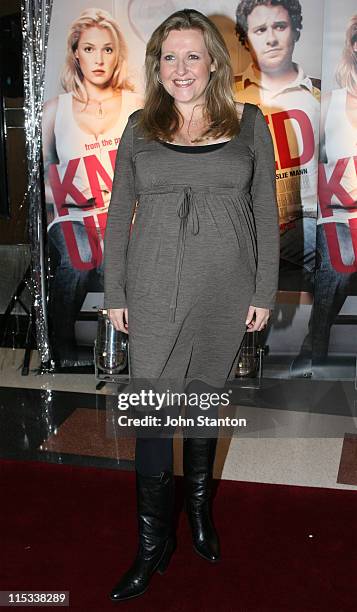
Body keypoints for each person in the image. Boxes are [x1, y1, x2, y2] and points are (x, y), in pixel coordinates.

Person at [104, 8, 279, 602]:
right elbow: (116, 214)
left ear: (214, 62)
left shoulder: (251, 124)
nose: (181, 69)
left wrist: (262, 292)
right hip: (153, 288)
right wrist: (116, 292)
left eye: (193, 55)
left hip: (226, 289)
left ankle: (199, 511)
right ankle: (153, 544)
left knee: (205, 401)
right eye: (169, 57)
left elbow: (264, 215)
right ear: (158, 65)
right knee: (154, 413)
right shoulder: (139, 126)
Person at [42, 8, 143, 366]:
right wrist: (68, 208)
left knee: (130, 261)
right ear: (75, 53)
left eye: (107, 50)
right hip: (72, 216)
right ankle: (60, 348)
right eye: (89, 49)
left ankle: (128, 350)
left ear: (117, 56)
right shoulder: (55, 110)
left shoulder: (137, 107)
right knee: (81, 257)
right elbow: (47, 178)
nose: (98, 59)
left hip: (123, 215)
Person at [234, 0, 320, 291]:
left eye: (279, 26)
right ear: (245, 39)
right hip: (248, 223)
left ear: (296, 30)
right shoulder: (225, 96)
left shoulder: (322, 96)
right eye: (260, 30)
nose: (271, 38)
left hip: (309, 223)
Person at [300, 14, 357, 363]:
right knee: (336, 270)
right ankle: (314, 349)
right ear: (353, 45)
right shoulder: (329, 103)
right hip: (336, 217)